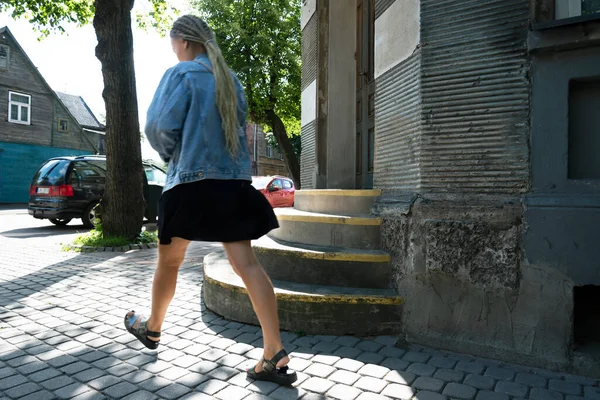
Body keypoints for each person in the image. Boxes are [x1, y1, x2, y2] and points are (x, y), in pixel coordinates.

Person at [123, 15, 297, 386]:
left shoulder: (181, 74)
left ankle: (153, 329)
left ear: (184, 42)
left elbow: (156, 127)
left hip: (189, 184)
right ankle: (274, 352)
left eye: (173, 45)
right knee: (247, 266)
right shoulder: (231, 80)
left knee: (169, 264)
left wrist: (174, 157)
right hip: (231, 185)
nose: (174, 51)